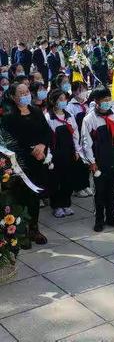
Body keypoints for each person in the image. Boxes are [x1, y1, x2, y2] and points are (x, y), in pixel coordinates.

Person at [0, 82, 49, 246]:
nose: (25, 95)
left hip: (38, 160)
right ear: (13, 97)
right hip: (20, 164)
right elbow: (11, 142)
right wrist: (31, 150)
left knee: (35, 197)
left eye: (26, 92)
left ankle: (34, 228)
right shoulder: (9, 117)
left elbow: (47, 132)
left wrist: (42, 146)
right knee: (21, 198)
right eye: (21, 93)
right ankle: (22, 233)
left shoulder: (36, 111)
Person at [81, 87, 114, 232]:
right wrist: (91, 162)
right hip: (99, 161)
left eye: (108, 99)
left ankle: (111, 215)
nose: (107, 102)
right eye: (104, 100)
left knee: (111, 189)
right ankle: (99, 218)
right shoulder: (89, 119)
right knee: (100, 191)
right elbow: (86, 143)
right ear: (96, 101)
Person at [45, 89, 81, 218]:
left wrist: (77, 150)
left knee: (68, 180)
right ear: (53, 101)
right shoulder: (49, 118)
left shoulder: (69, 116)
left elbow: (76, 134)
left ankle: (66, 204)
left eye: (64, 99)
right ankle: (56, 206)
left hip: (69, 152)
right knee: (56, 181)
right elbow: (47, 139)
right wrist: (48, 156)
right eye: (60, 99)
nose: (63, 101)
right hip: (55, 154)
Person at [67, 81, 93, 198]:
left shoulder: (89, 104)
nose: (82, 92)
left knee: (87, 163)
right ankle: (77, 187)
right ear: (73, 92)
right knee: (78, 164)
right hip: (77, 138)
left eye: (84, 89)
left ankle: (85, 184)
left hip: (88, 136)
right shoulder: (70, 107)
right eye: (79, 90)